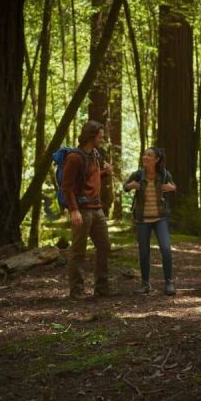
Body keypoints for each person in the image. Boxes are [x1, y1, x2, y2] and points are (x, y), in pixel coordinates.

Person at [63, 120, 114, 299]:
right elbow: (67, 186)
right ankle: (76, 291)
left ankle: (102, 288)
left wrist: (105, 174)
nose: (102, 139)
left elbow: (90, 178)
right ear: (91, 137)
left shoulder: (94, 154)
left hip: (97, 208)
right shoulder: (74, 157)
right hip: (82, 210)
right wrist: (74, 210)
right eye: (100, 136)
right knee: (78, 251)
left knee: (104, 247)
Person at [123, 147, 177, 295]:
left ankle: (169, 282)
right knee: (144, 252)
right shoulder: (138, 174)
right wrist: (131, 186)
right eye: (144, 154)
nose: (145, 157)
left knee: (166, 249)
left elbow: (173, 186)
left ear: (157, 159)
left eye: (149, 155)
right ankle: (145, 284)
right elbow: (125, 187)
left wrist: (172, 188)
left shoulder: (164, 174)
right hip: (142, 219)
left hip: (160, 218)